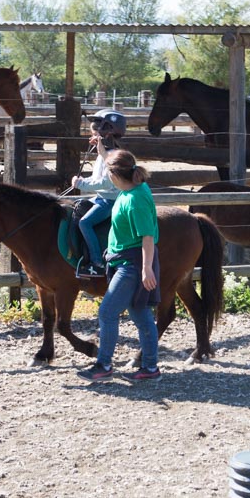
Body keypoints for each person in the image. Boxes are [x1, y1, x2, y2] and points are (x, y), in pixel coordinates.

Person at [77, 149, 162, 383]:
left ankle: (103, 365)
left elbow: (147, 237)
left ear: (114, 176)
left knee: (107, 313)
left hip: (131, 265)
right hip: (124, 260)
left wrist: (146, 269)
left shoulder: (135, 200)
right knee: (140, 313)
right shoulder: (131, 189)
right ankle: (150, 368)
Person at [72, 109, 127, 278]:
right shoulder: (104, 154)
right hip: (102, 197)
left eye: (96, 134)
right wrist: (84, 180)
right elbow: (97, 178)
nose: (93, 138)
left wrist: (81, 183)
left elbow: (105, 182)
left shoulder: (113, 155)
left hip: (110, 201)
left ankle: (97, 262)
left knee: (85, 223)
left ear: (107, 133)